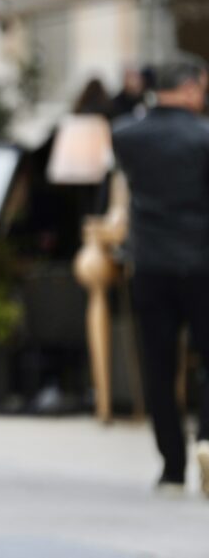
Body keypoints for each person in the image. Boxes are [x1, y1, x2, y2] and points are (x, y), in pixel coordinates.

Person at [112, 58, 209, 495]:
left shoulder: (126, 135)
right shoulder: (203, 137)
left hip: (150, 263)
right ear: (189, 89)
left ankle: (172, 467)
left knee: (158, 365)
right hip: (202, 263)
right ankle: (207, 440)